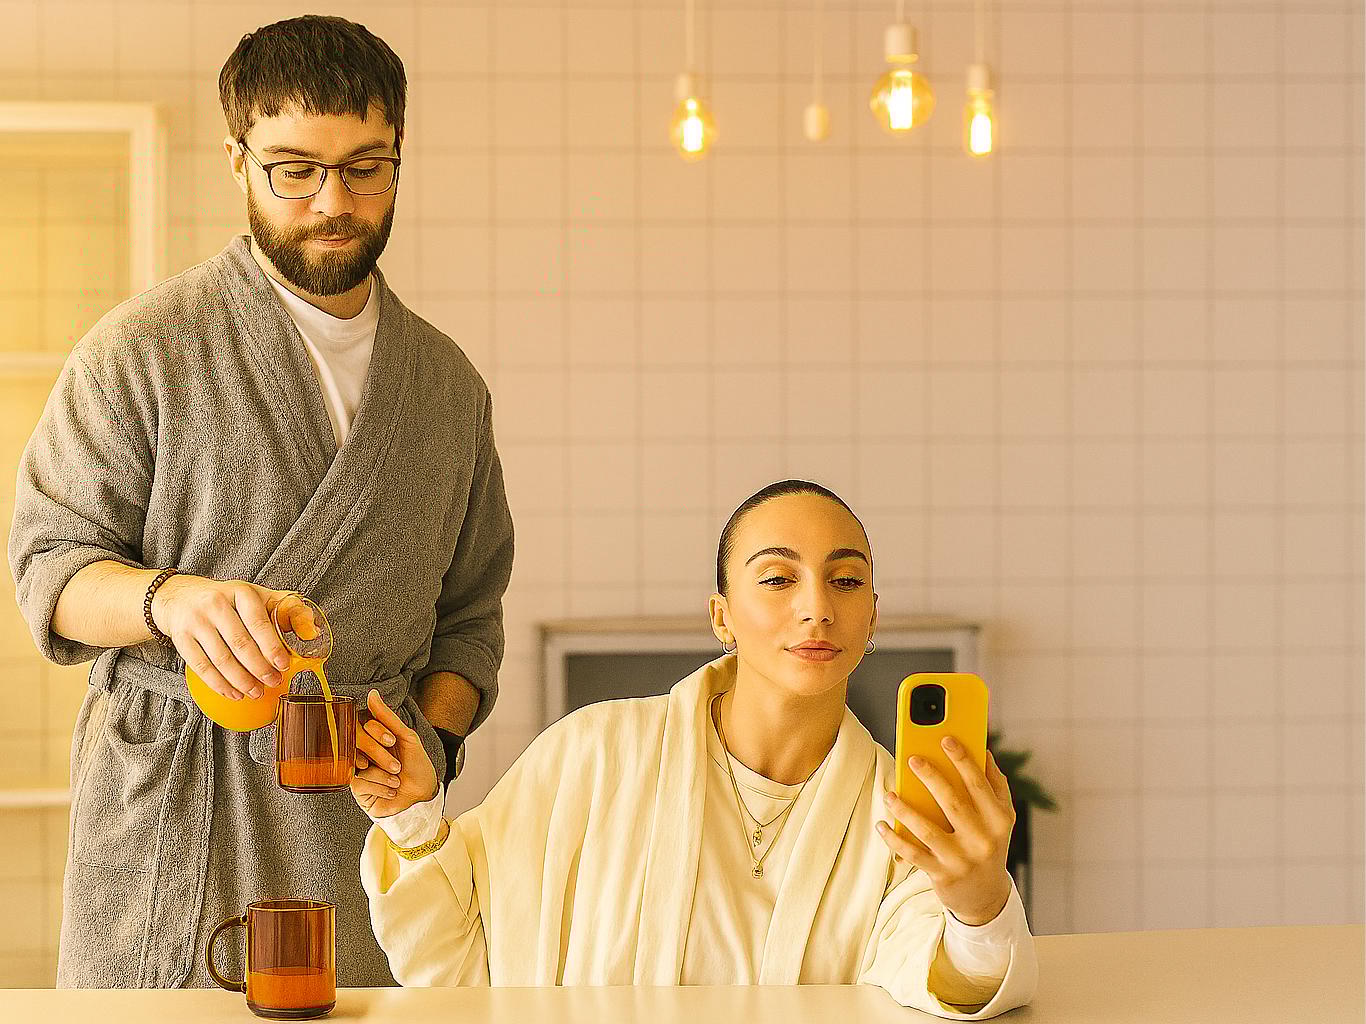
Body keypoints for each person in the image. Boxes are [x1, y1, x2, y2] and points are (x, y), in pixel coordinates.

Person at [7, 15, 513, 988]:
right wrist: (172, 602)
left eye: (365, 166)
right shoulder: (142, 349)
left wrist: (434, 745)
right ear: (236, 162)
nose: (334, 200)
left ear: (399, 156)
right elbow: (50, 567)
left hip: (354, 832)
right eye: (294, 169)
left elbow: (470, 620)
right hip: (174, 811)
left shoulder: (447, 388)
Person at [353, 481, 1035, 1018]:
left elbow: (948, 980)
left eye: (846, 581)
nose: (817, 608)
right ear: (722, 617)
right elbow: (460, 967)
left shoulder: (902, 823)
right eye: (777, 578)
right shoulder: (591, 756)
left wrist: (978, 904)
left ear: (872, 615)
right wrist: (413, 816)